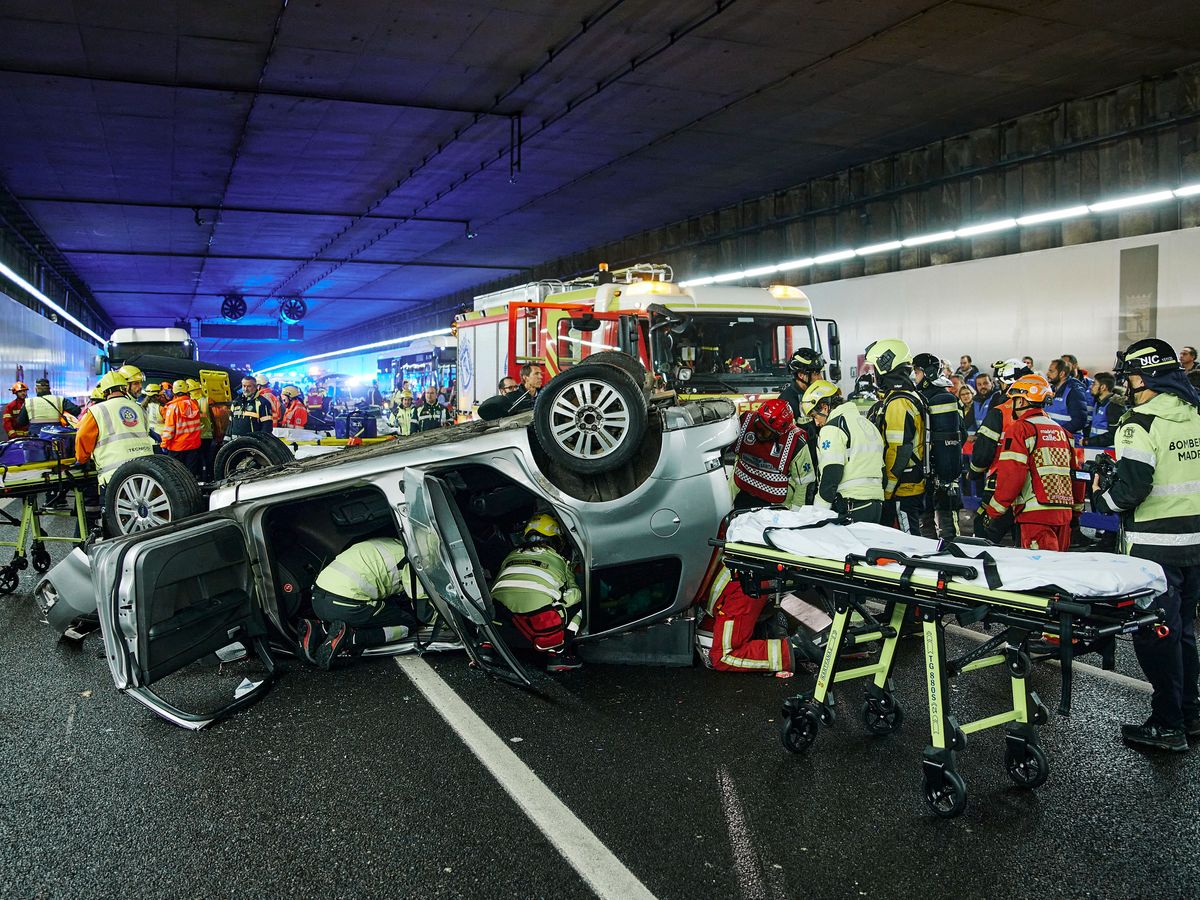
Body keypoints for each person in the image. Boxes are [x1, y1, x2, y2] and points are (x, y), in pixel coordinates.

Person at [1092, 339, 1200, 751]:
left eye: (1133, 377)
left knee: (1155, 636)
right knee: (1184, 631)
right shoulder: (1194, 414)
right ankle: (1190, 713)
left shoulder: (1139, 422)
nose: (1130, 385)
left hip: (1155, 551)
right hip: (1195, 544)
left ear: (1145, 377)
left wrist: (1101, 498)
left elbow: (1132, 489)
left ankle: (1167, 723)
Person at [978, 374, 1084, 551]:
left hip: (1034, 516)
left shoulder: (1020, 429)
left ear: (1021, 401)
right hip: (1063, 516)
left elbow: (1011, 476)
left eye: (1014, 400)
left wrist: (994, 511)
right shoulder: (1063, 433)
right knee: (1058, 574)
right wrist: (1076, 511)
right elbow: (1077, 475)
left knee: (1037, 574)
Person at [298, 537, 423, 670]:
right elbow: (420, 599)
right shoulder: (411, 558)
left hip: (318, 600)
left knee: (369, 613)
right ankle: (352, 638)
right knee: (408, 624)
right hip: (346, 606)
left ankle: (320, 630)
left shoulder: (387, 543)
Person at [491, 513, 583, 671]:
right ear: (556, 539)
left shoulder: (510, 556)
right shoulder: (559, 560)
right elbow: (574, 591)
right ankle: (558, 655)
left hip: (499, 627)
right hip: (537, 626)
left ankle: (485, 646)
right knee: (579, 601)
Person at [864, 339, 926, 535]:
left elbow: (899, 450)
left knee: (909, 544)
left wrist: (887, 490)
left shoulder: (898, 402)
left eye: (875, 368)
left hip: (902, 489)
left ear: (885, 366)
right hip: (908, 485)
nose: (874, 374)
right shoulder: (909, 395)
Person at [803, 380, 884, 523]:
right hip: (876, 504)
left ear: (825, 407)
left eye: (815, 416)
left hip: (851, 504)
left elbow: (831, 472)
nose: (816, 423)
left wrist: (817, 513)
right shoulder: (867, 424)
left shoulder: (833, 428)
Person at [702, 566, 796, 674]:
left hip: (739, 591)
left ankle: (792, 651)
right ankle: (768, 629)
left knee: (722, 656)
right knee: (704, 635)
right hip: (743, 579)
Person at [74, 370, 155, 493]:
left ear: (105, 391)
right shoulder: (140, 409)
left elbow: (82, 437)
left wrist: (82, 460)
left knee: (115, 510)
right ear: (124, 388)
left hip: (115, 476)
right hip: (146, 470)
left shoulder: (96, 411)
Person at [913, 353, 964, 538]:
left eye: (917, 372)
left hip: (925, 470)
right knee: (949, 523)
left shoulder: (918, 399)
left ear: (927, 373)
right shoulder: (949, 396)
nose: (914, 376)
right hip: (947, 471)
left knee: (925, 523)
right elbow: (962, 432)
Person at [729, 398, 813, 510]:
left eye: (765, 431)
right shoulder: (745, 421)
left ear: (778, 434)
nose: (758, 432)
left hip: (774, 505)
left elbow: (804, 482)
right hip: (741, 492)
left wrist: (795, 514)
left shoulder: (796, 443)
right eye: (758, 425)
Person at [160, 379, 203, 479]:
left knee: (177, 477)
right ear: (187, 390)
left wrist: (164, 444)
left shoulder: (172, 407)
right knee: (190, 477)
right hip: (193, 447)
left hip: (177, 448)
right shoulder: (194, 405)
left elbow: (169, 430)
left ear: (174, 391)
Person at [778, 348, 826, 429]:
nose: (820, 378)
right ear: (801, 375)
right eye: (816, 374)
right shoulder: (787, 402)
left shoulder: (818, 394)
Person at [1045, 358, 1088, 445]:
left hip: (1068, 443)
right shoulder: (1051, 390)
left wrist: (1055, 433)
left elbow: (1079, 421)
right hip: (1053, 440)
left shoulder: (1074, 391)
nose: (1047, 373)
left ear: (1062, 374)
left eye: (1051, 371)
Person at [477, 366, 542, 421]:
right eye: (536, 374)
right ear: (525, 378)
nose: (540, 377)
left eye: (541, 374)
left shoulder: (546, 394)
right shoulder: (512, 398)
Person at [1083, 372, 1125, 448]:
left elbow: (1113, 435)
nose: (1091, 387)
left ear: (1103, 387)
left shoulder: (1114, 406)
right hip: (1096, 448)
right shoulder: (1099, 402)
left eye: (1094, 384)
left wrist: (1088, 441)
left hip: (1108, 451)